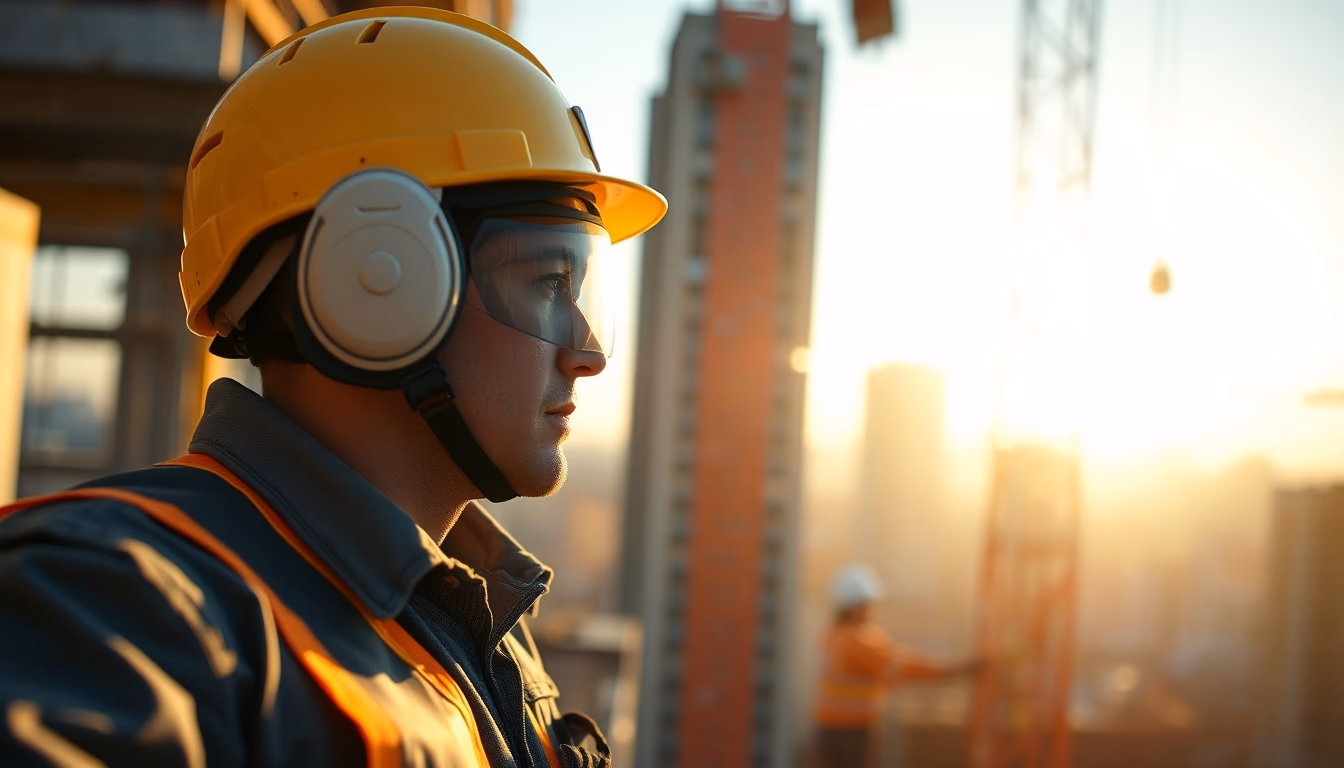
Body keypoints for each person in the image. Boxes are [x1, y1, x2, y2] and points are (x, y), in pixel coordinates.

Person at [0, 8, 665, 768]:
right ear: (379, 277)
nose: (587, 354)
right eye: (548, 282)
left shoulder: (486, 626)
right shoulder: (120, 605)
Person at [814, 565, 984, 768]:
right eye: (868, 603)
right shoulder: (856, 641)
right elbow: (904, 665)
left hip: (832, 729)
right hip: (851, 732)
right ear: (854, 606)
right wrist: (955, 670)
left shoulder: (834, 635)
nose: (872, 608)